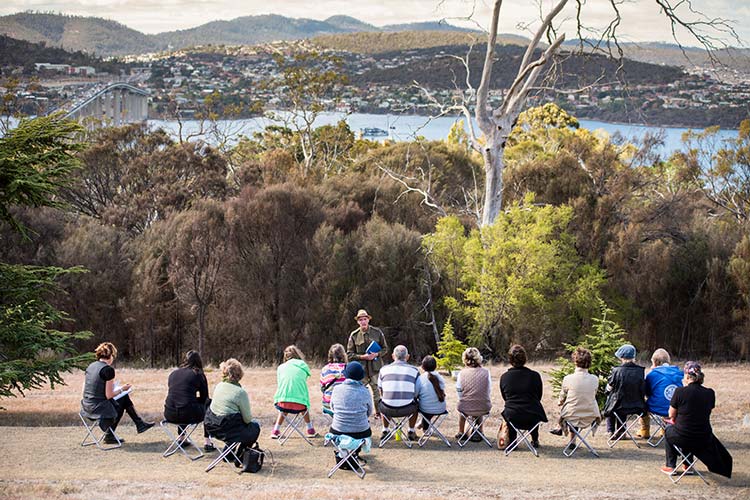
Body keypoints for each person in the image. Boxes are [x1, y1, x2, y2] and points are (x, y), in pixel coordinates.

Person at [661, 361, 732, 478]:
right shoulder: (710, 393)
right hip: (704, 437)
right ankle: (687, 465)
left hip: (683, 435)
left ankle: (670, 465)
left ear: (687, 376)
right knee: (687, 430)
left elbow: (671, 414)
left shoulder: (680, 392)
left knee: (669, 429)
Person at [80, 342, 154, 444]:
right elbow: (109, 395)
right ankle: (113, 433)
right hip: (99, 409)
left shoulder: (91, 366)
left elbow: (88, 387)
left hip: (86, 406)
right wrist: (122, 389)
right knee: (123, 398)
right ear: (111, 355)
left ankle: (138, 424)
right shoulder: (108, 370)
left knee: (123, 398)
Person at [203, 358, 261, 473]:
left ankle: (228, 453)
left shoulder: (219, 386)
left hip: (212, 427)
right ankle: (239, 456)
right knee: (254, 427)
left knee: (234, 423)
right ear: (240, 374)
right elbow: (248, 419)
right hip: (227, 429)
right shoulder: (240, 393)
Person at [549, 347, 601, 450]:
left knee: (570, 408)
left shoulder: (568, 378)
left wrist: (560, 402)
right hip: (590, 414)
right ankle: (572, 440)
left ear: (575, 362)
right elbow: (593, 394)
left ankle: (561, 430)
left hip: (572, 414)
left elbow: (562, 396)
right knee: (577, 406)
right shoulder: (595, 379)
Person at [164, 350, 215, 451]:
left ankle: (181, 438)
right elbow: (205, 398)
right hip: (187, 414)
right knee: (209, 403)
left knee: (182, 402)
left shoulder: (173, 373)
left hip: (169, 413)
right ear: (199, 361)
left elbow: (177, 394)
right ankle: (207, 442)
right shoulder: (198, 374)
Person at [498, 345, 547, 448]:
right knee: (534, 406)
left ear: (510, 359)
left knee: (511, 410)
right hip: (532, 415)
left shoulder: (504, 377)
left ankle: (512, 442)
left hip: (513, 416)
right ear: (525, 358)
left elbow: (505, 397)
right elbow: (538, 396)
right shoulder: (535, 376)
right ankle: (535, 439)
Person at [347, 309, 389, 417]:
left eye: (365, 319)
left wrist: (376, 354)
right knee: (359, 392)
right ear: (358, 322)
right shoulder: (354, 335)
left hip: (375, 368)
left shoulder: (377, 332)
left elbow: (385, 349)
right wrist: (362, 357)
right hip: (362, 370)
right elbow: (349, 354)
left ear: (368, 320)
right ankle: (361, 413)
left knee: (378, 392)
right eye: (360, 320)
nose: (363, 321)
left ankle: (379, 413)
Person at [271, 345, 317, 438]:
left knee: (286, 403)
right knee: (302, 404)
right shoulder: (303, 366)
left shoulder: (280, 367)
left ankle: (276, 430)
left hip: (282, 403)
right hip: (300, 405)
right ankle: (310, 429)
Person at [377, 345, 420, 441]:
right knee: (416, 402)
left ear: (393, 356)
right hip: (407, 409)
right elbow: (417, 391)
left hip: (387, 409)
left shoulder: (383, 370)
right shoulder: (414, 371)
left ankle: (385, 430)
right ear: (407, 357)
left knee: (383, 399)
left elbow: (380, 389)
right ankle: (411, 431)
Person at [638, 348, 683, 439]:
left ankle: (645, 430)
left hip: (657, 408)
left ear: (655, 362)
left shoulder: (652, 375)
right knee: (666, 402)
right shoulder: (680, 373)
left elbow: (647, 393)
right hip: (676, 409)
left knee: (643, 405)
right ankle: (665, 429)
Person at [602, 343, 646, 435]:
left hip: (619, 405)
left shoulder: (616, 370)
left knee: (612, 402)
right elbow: (643, 389)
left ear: (621, 357)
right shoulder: (640, 371)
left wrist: (606, 391)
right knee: (622, 401)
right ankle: (622, 431)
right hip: (637, 405)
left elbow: (609, 388)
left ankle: (610, 430)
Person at [455, 347, 492, 442]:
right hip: (484, 406)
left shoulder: (461, 373)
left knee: (461, 411)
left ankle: (461, 432)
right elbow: (488, 390)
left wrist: (463, 399)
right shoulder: (486, 372)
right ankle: (480, 430)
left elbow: (459, 391)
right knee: (479, 406)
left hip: (465, 407)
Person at [416, 355, 447, 430]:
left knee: (423, 404)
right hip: (441, 408)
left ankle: (425, 428)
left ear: (422, 367)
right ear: (435, 366)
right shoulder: (440, 377)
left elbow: (415, 394)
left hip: (426, 409)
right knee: (430, 404)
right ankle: (423, 423)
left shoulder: (420, 378)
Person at [320, 344, 348, 416]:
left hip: (328, 405)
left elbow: (322, 388)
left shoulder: (325, 369)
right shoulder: (348, 369)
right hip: (345, 405)